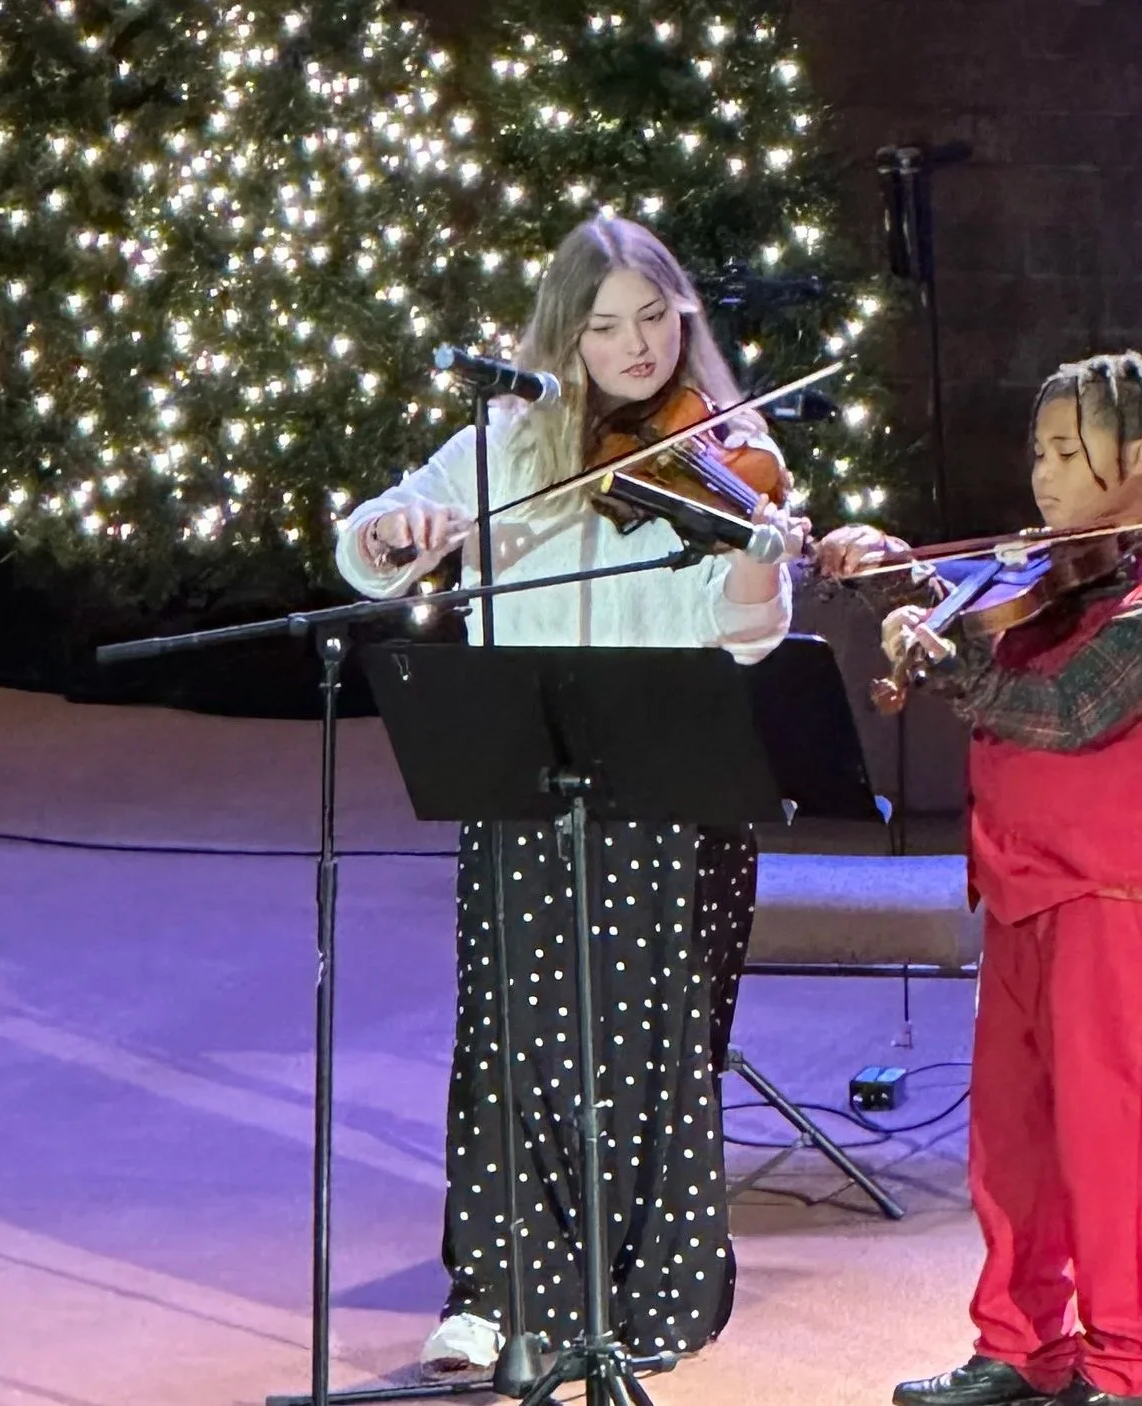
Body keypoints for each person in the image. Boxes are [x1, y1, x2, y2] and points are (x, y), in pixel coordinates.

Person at [334, 214, 805, 1375]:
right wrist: (402, 533)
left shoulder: (723, 452)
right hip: (525, 772)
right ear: (565, 334)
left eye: (653, 317)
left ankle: (641, 1293)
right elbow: (359, 546)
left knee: (649, 1043)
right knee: (513, 1038)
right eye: (604, 327)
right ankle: (493, 1290)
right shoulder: (504, 443)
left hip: (663, 782)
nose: (634, 347)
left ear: (682, 315)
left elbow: (747, 641)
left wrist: (755, 559)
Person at [815, 352, 1142, 1406]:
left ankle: (1126, 1363)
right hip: (1018, 881)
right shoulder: (1063, 564)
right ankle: (1020, 1343)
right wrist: (901, 575)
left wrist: (949, 663)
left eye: (1064, 452)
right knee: (1010, 1140)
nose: (1041, 476)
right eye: (1036, 450)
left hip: (1116, 896)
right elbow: (989, 614)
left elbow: (1067, 710)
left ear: (1138, 457)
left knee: (1112, 1147)